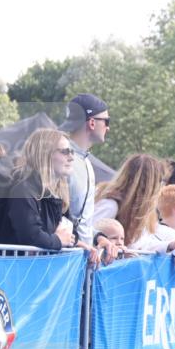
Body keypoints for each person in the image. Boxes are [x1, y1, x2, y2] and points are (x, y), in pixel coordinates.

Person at [60, 93, 115, 261]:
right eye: (107, 121)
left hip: (78, 261)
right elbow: (50, 215)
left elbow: (81, 222)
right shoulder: (62, 159)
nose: (108, 127)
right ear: (92, 123)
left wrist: (98, 237)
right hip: (61, 261)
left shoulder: (86, 163)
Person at [0, 129, 76, 250]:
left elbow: (70, 233)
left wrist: (82, 242)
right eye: (65, 152)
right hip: (17, 266)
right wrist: (58, 240)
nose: (71, 157)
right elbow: (30, 236)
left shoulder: (58, 192)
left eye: (72, 151)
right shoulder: (22, 190)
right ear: (44, 155)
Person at [93, 154, 168, 249]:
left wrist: (171, 245)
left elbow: (143, 244)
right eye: (160, 181)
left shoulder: (142, 211)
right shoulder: (111, 205)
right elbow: (89, 234)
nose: (162, 187)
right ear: (149, 184)